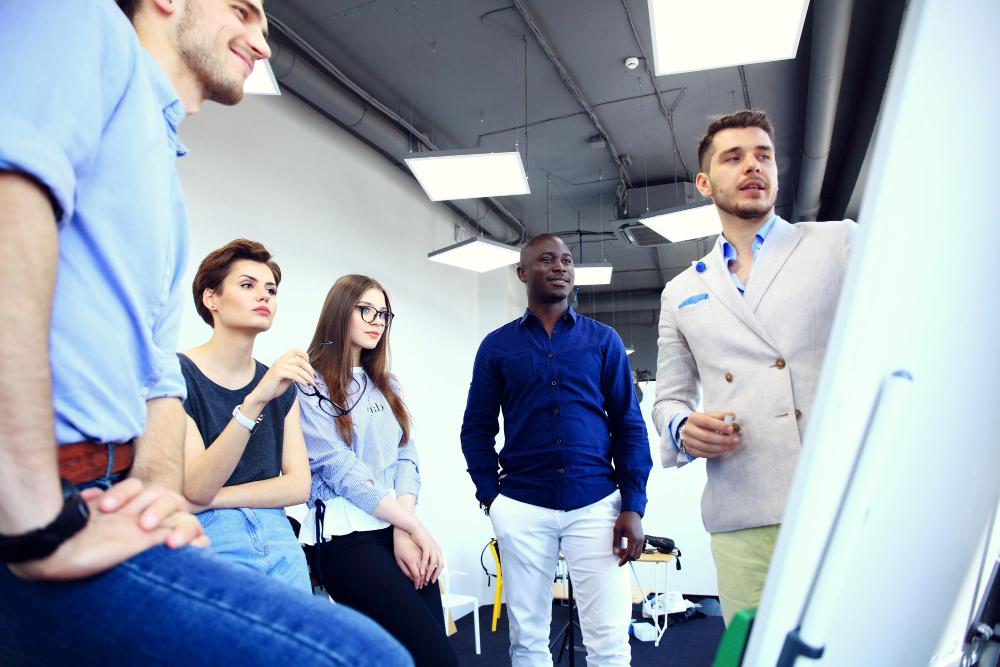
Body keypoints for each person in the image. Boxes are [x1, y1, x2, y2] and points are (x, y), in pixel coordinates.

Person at [0, 1, 410, 664]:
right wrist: (34, 522)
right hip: (43, 499)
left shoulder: (159, 165)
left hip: (115, 488)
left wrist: (161, 505)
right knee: (363, 656)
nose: (263, 44)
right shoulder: (78, 20)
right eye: (244, 12)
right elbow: (8, 218)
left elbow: (152, 372)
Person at [652, 109, 857, 624]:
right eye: (734, 157)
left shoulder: (839, 245)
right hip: (740, 507)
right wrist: (682, 427)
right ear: (705, 182)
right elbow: (669, 399)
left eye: (763, 155)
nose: (753, 166)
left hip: (837, 498)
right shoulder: (681, 291)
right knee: (751, 653)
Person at [461, 234, 653, 667]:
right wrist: (492, 497)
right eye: (547, 259)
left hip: (596, 504)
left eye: (566, 260)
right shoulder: (497, 346)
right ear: (523, 273)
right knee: (527, 640)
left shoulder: (603, 341)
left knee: (609, 642)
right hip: (523, 504)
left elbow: (628, 425)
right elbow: (476, 429)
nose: (560, 267)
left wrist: (634, 505)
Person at [297, 274, 458, 667]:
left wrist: (404, 528)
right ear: (339, 312)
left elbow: (406, 457)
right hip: (345, 538)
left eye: (384, 313)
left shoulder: (387, 385)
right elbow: (339, 467)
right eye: (366, 309)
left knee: (435, 656)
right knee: (429, 657)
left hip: (393, 528)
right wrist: (414, 527)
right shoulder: (307, 384)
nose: (377, 320)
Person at [179, 239, 312, 591]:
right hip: (211, 537)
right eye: (247, 285)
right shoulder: (177, 375)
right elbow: (198, 483)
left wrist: (213, 497)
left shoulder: (281, 385)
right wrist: (254, 401)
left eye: (270, 289)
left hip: (279, 536)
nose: (264, 296)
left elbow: (299, 484)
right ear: (212, 299)